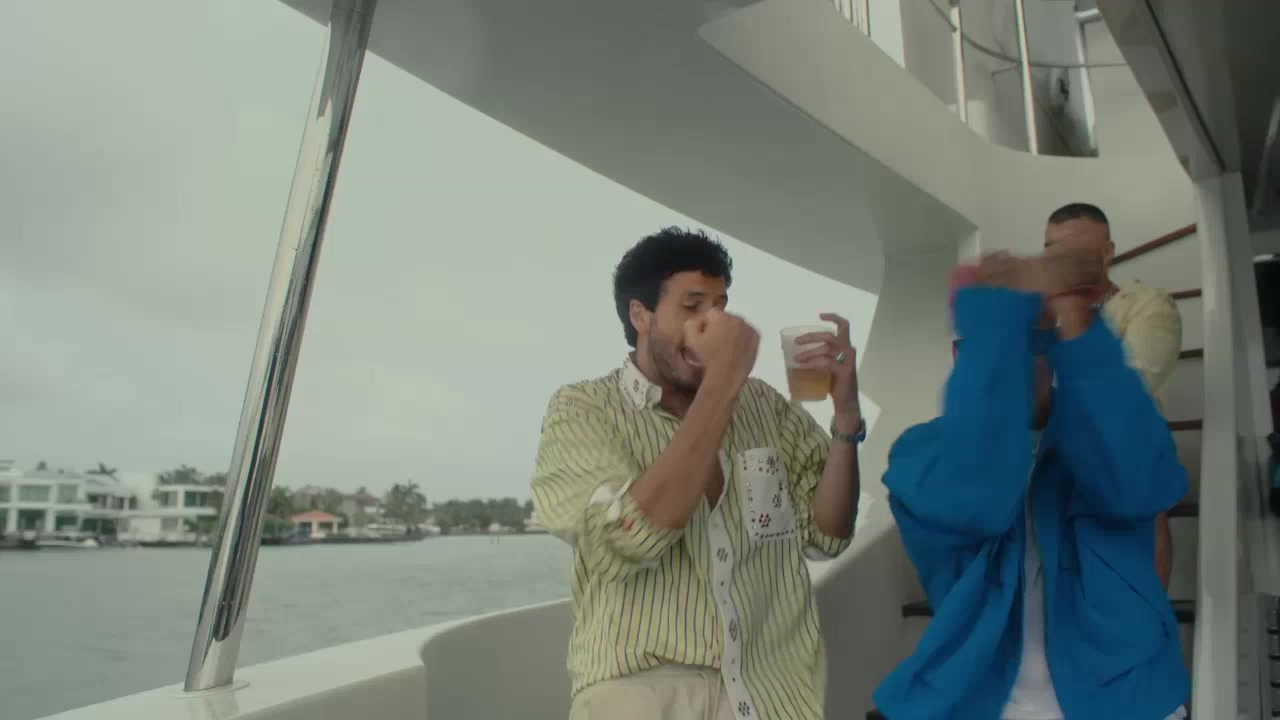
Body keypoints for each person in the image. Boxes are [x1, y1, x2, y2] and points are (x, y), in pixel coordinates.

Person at [530, 227, 864, 720]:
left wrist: (846, 417)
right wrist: (723, 381)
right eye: (692, 306)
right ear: (640, 315)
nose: (714, 322)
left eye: (720, 305)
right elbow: (625, 540)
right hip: (639, 694)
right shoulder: (583, 408)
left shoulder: (763, 404)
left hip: (769, 691)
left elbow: (828, 535)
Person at [873, 251, 1189, 720]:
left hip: (1128, 698)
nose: (1022, 360)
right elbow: (979, 496)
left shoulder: (1105, 428)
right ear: (964, 355)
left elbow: (1141, 486)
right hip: (975, 699)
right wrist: (996, 316)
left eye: (1036, 343)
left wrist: (1076, 318)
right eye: (1003, 342)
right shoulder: (920, 454)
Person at [1043, 203, 1184, 588]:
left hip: (1126, 448)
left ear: (1107, 253)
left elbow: (1133, 387)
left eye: (1076, 249)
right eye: (1053, 249)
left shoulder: (1147, 306)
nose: (1063, 259)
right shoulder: (1040, 312)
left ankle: (1149, 609)